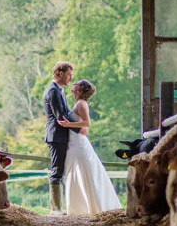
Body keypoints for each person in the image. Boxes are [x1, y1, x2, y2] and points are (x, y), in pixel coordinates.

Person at [57, 79, 121, 215]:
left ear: (80, 89)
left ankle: (88, 207)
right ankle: (79, 208)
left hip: (78, 144)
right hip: (73, 141)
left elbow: (86, 123)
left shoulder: (81, 104)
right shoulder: (78, 103)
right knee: (76, 171)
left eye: (76, 84)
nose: (73, 85)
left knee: (83, 171)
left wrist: (68, 125)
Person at [43, 61, 78, 214]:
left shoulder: (59, 90)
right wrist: (79, 128)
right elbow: (60, 116)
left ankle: (58, 207)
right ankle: (55, 208)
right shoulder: (53, 91)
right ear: (60, 73)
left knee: (60, 170)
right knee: (57, 171)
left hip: (60, 135)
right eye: (69, 74)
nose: (71, 78)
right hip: (56, 136)